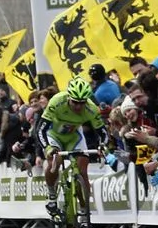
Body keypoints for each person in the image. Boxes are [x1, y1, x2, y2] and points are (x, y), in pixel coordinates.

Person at [34, 77, 107, 216]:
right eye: (75, 102)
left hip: (74, 136)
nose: (79, 106)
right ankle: (52, 195)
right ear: (68, 97)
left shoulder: (91, 109)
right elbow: (40, 129)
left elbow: (102, 132)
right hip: (54, 134)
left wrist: (103, 146)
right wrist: (48, 148)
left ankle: (84, 213)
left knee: (82, 171)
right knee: (55, 161)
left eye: (82, 103)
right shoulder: (57, 101)